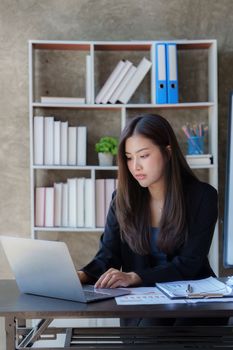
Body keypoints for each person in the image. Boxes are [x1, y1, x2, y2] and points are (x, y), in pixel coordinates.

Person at [78, 113, 227, 326]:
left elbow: (189, 264)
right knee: (149, 325)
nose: (135, 166)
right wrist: (80, 275)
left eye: (144, 155)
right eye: (129, 157)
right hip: (143, 306)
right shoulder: (122, 200)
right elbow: (108, 257)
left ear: (167, 152)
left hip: (193, 304)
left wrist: (135, 277)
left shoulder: (203, 197)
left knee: (154, 326)